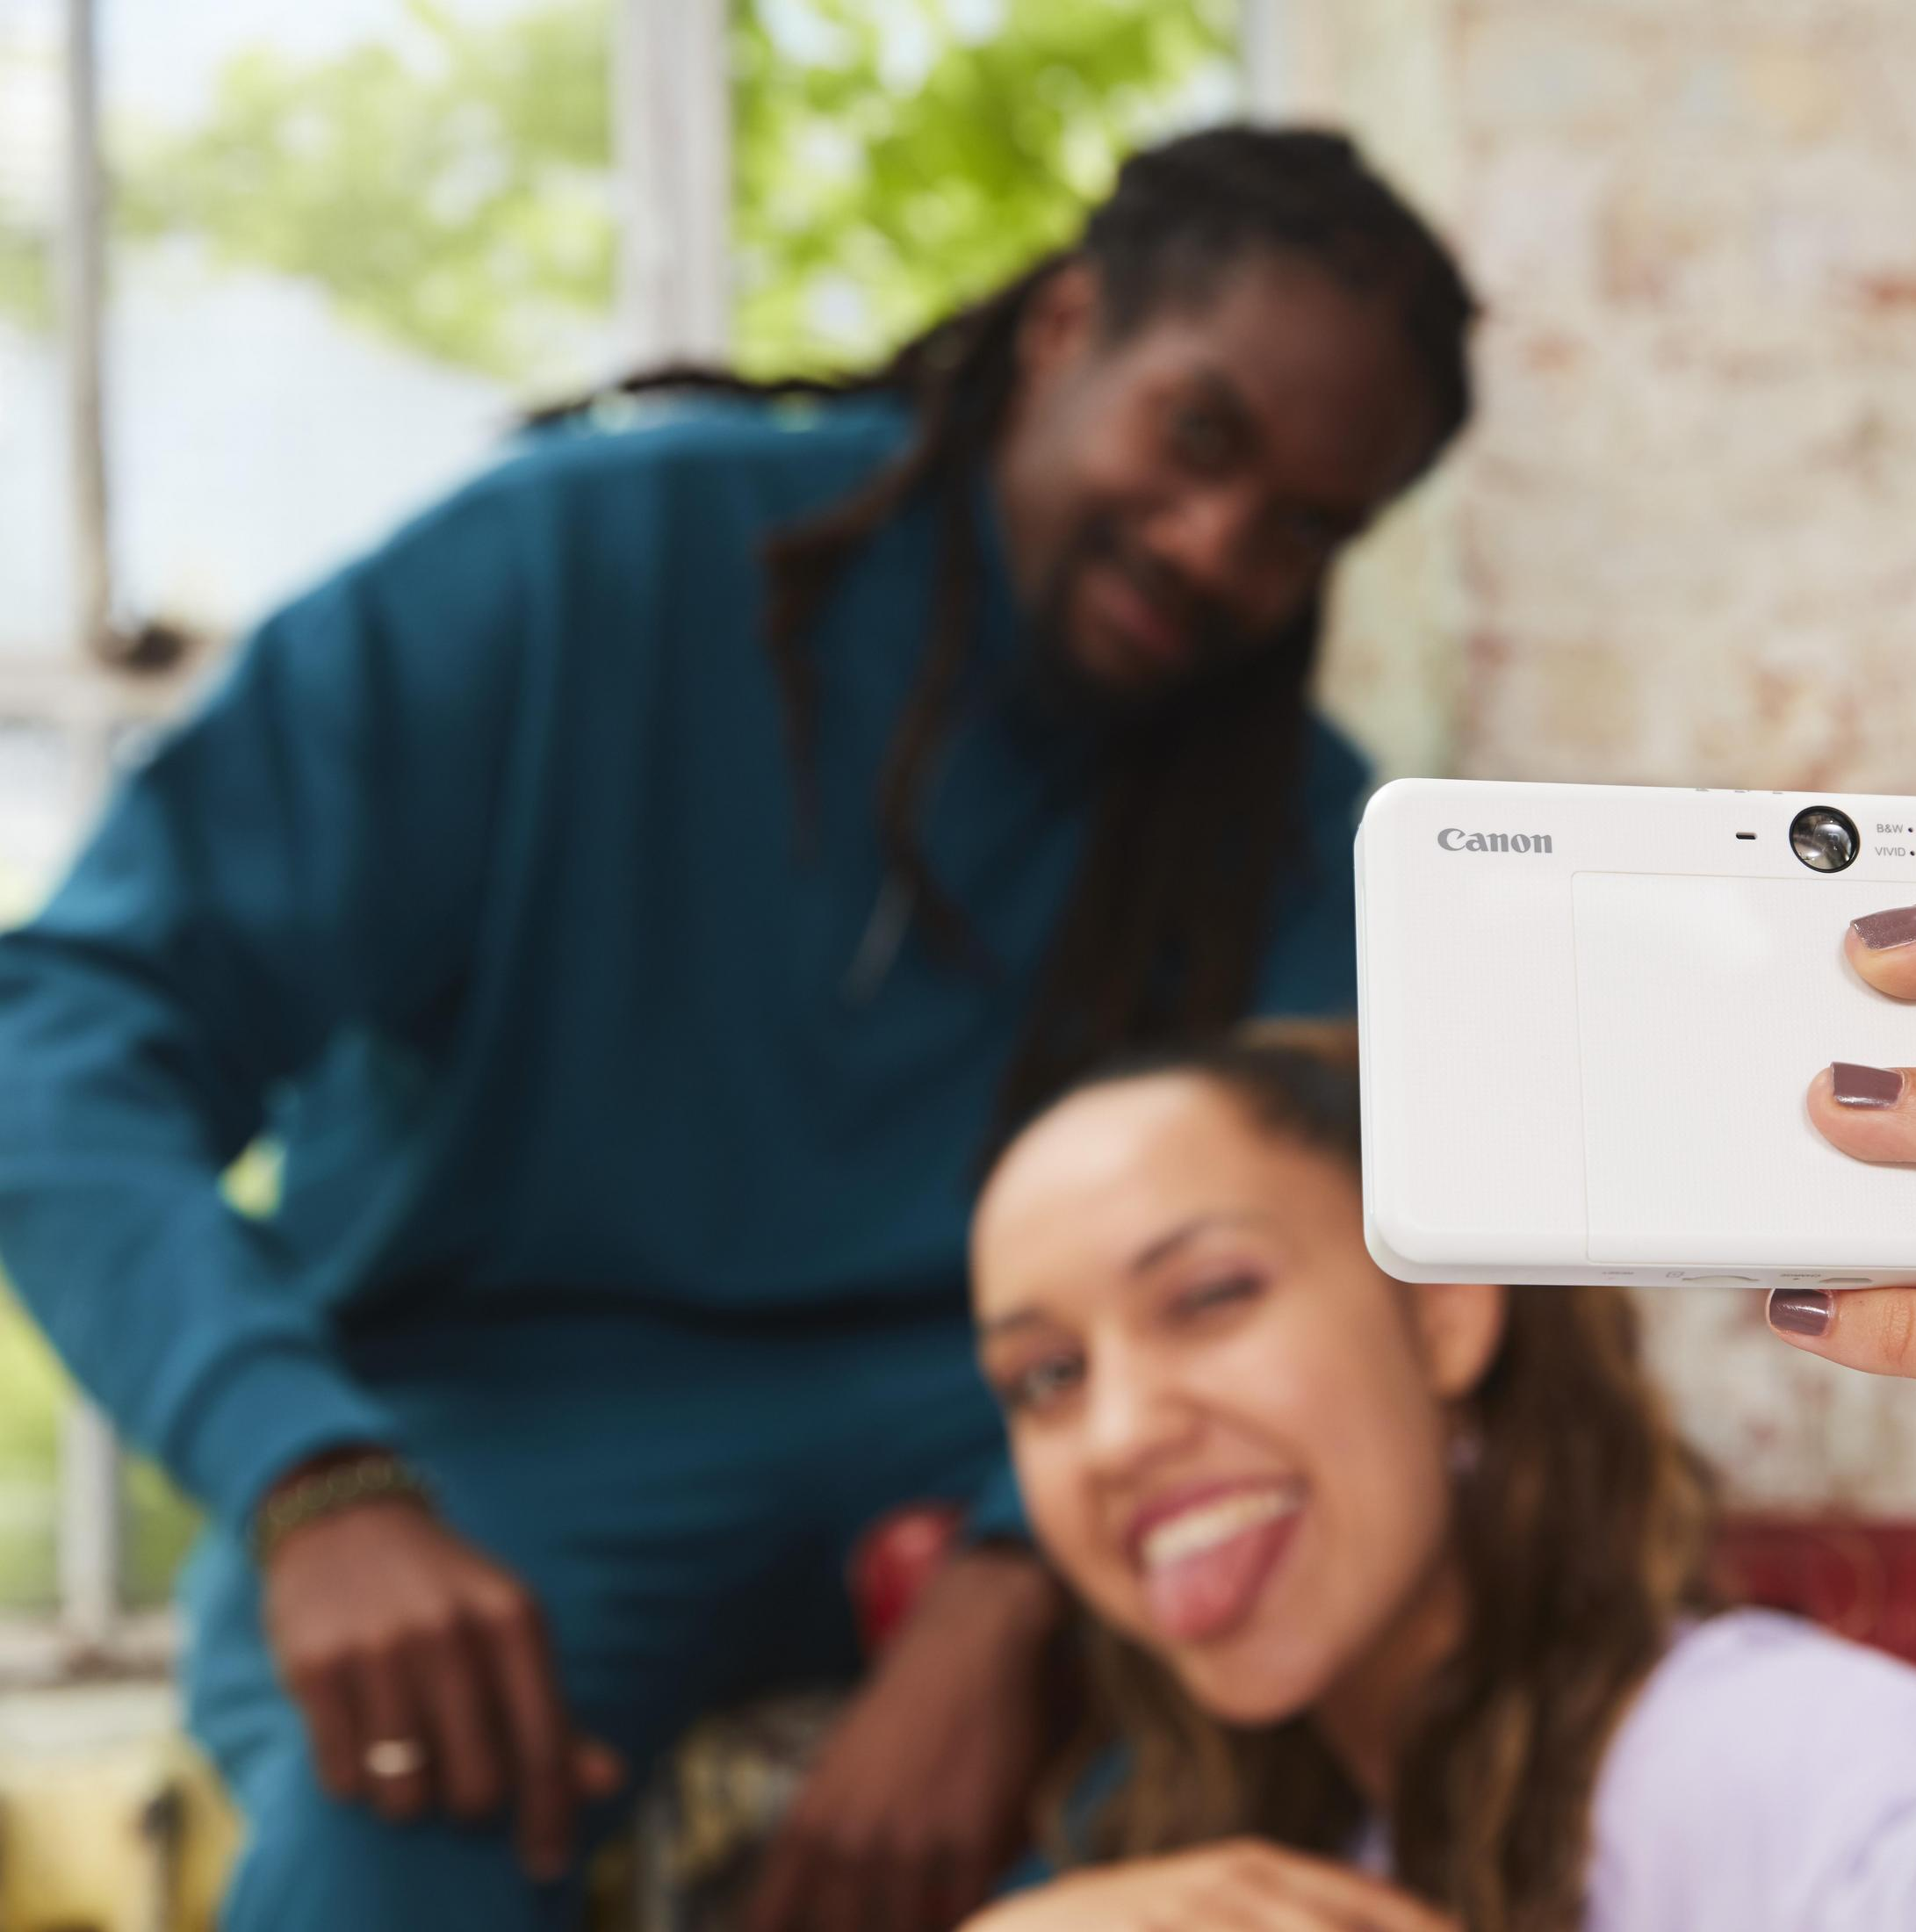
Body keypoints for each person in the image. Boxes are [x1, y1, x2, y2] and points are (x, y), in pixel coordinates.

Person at [0, 126, 1475, 1932]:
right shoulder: (571, 569)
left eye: (1310, 527)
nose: (1218, 544)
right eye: (1202, 436)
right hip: (488, 1423)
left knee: (1189, 1843)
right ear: (1066, 324)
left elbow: (1331, 1279)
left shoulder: (1292, 827)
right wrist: (308, 1471)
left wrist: (1010, 1599)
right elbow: (62, 1035)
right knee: (388, 1820)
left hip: (1011, 1445)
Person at [961, 761, 1916, 1932]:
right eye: (1043, 1377)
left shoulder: (1724, 1743)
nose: (1117, 1433)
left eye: (1210, 1296)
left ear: (1443, 1310)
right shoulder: (1257, 1834)